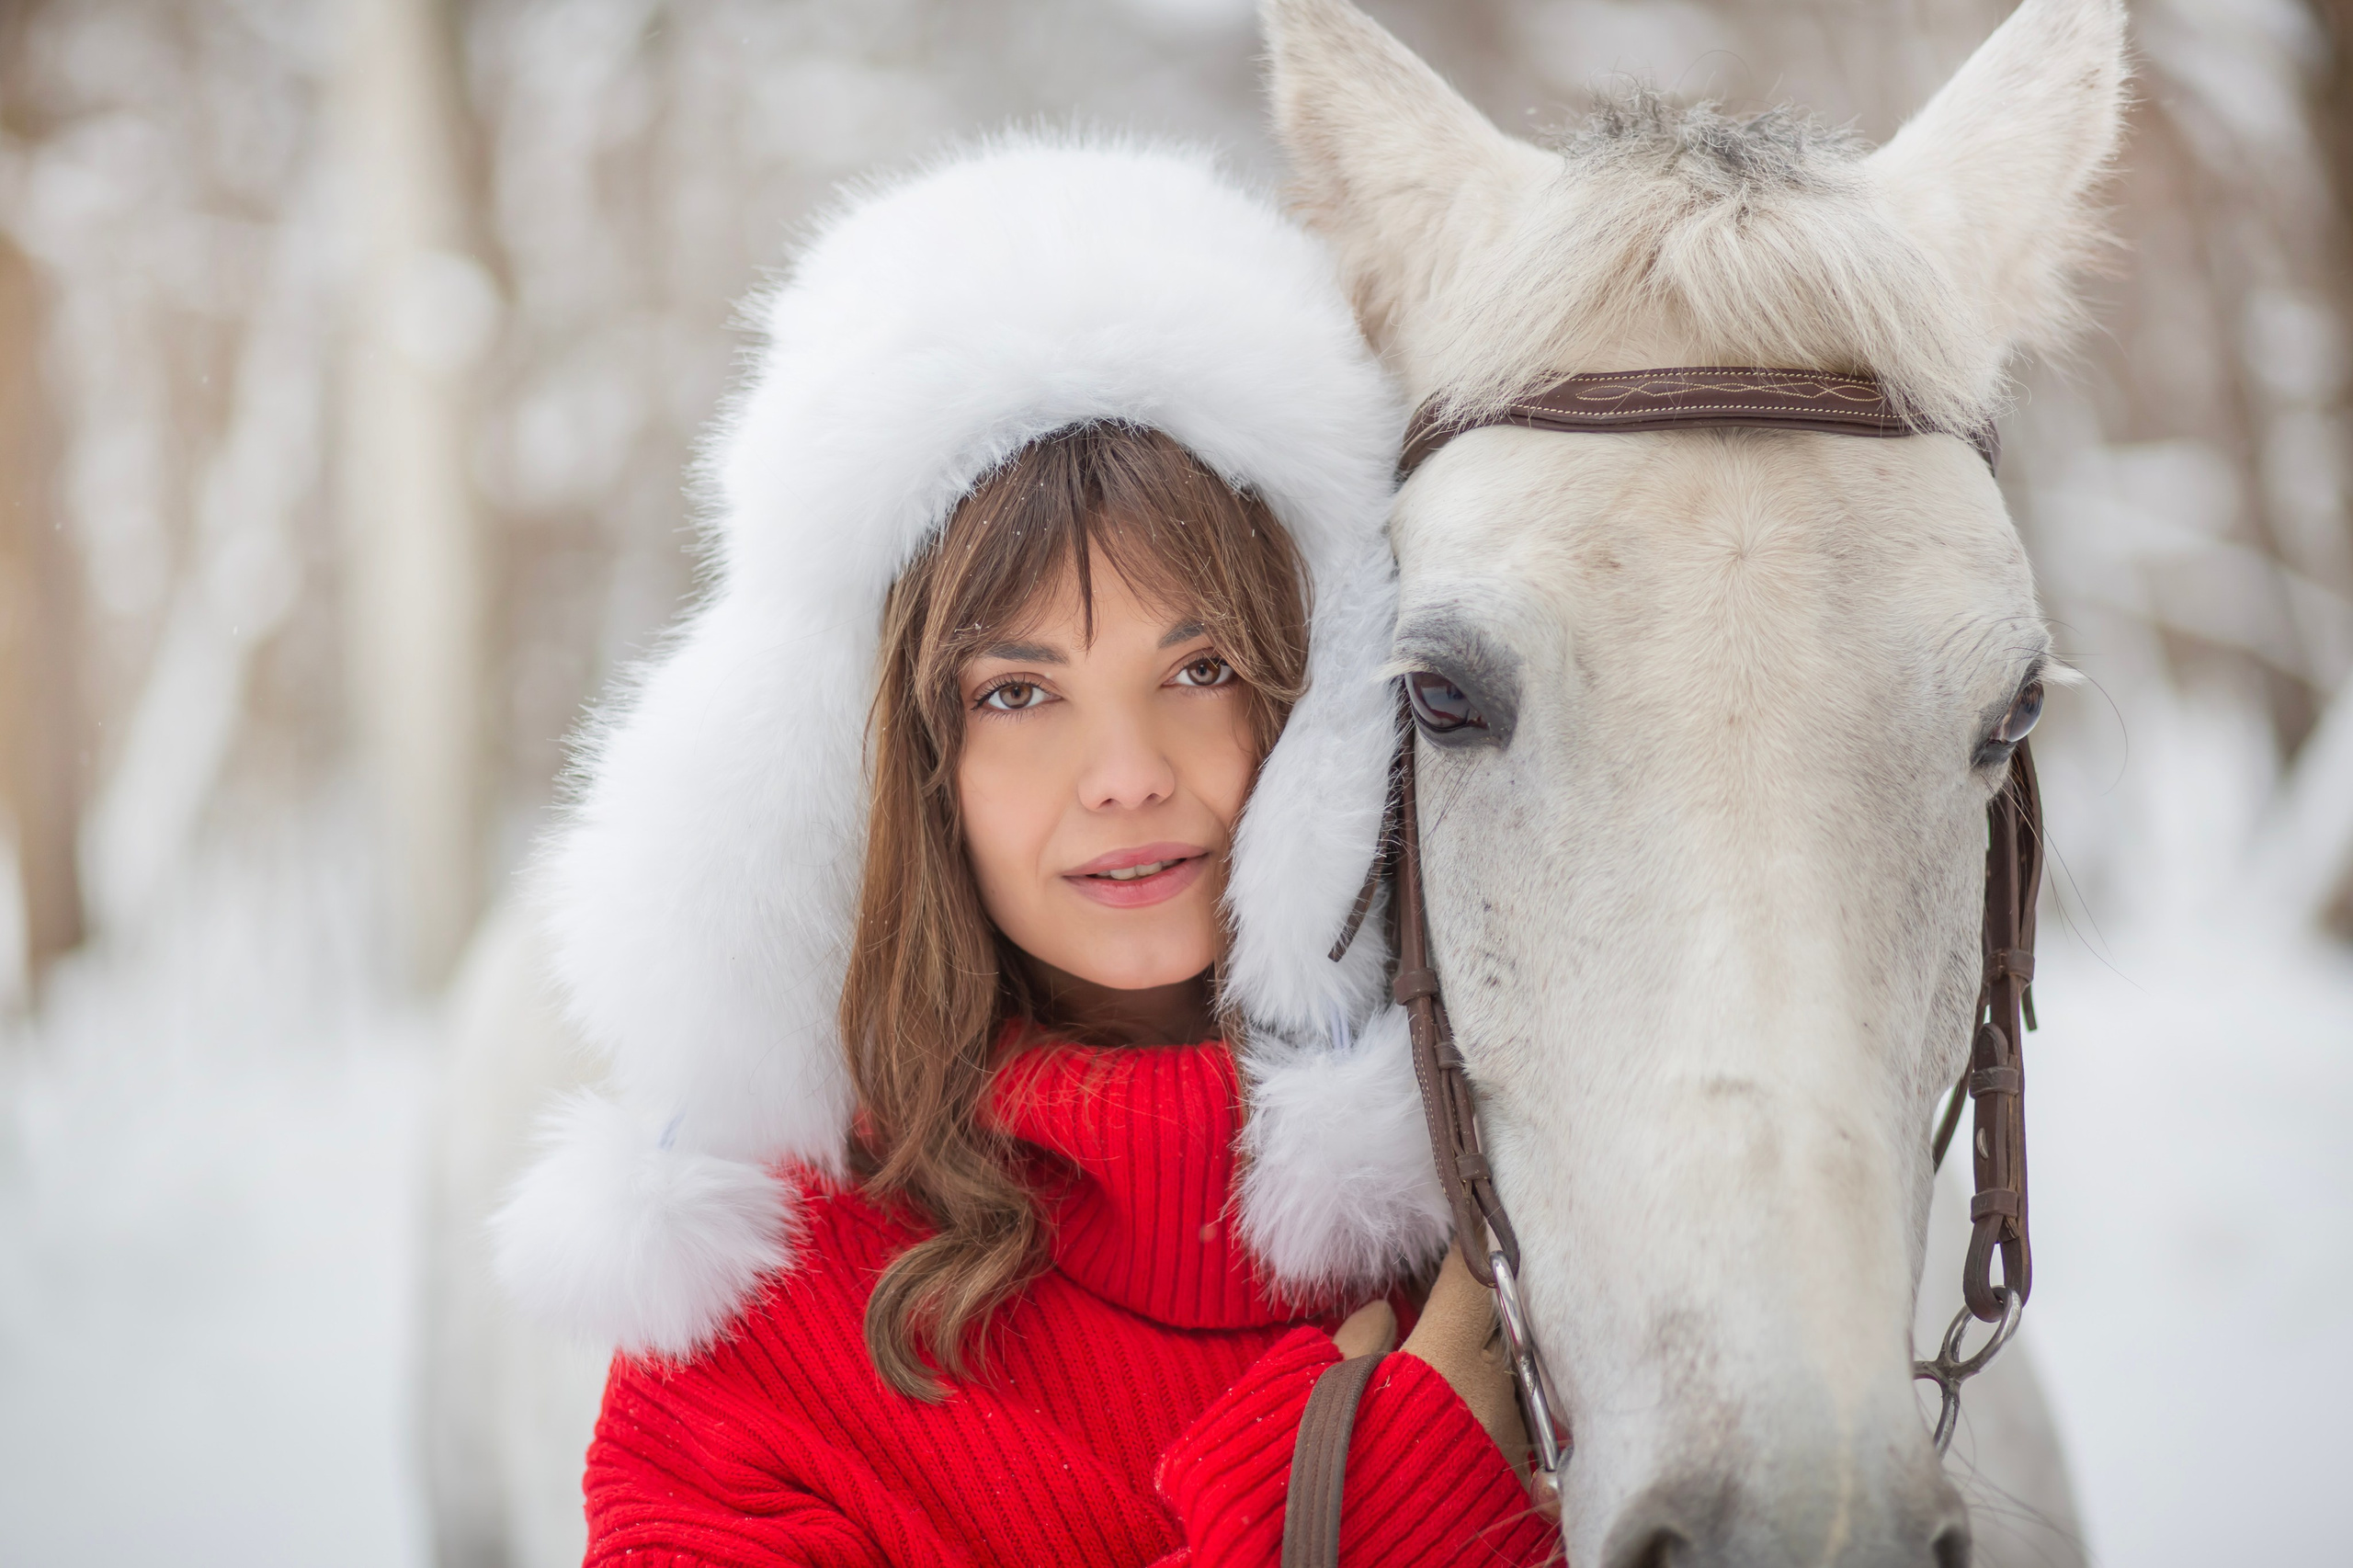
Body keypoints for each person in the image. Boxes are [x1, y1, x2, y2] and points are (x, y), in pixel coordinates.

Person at [494, 136, 1558, 1567]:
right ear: (899, 764)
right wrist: (1352, 1527)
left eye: (1201, 668)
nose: (1125, 777)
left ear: (1321, 700)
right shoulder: (754, 1334)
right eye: (1017, 694)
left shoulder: (1524, 1213)